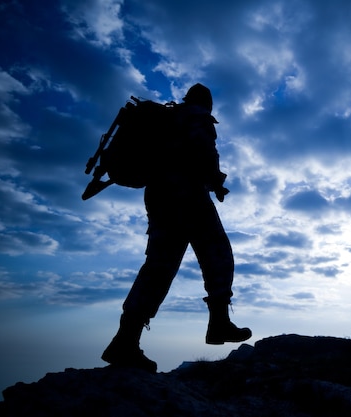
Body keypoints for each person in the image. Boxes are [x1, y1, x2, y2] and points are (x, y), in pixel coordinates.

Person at [101, 83, 251, 373]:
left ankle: (125, 340)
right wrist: (215, 181)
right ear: (207, 103)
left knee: (158, 267)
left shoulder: (169, 117)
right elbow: (203, 150)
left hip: (159, 196)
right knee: (218, 254)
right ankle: (219, 323)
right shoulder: (196, 115)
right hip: (186, 194)